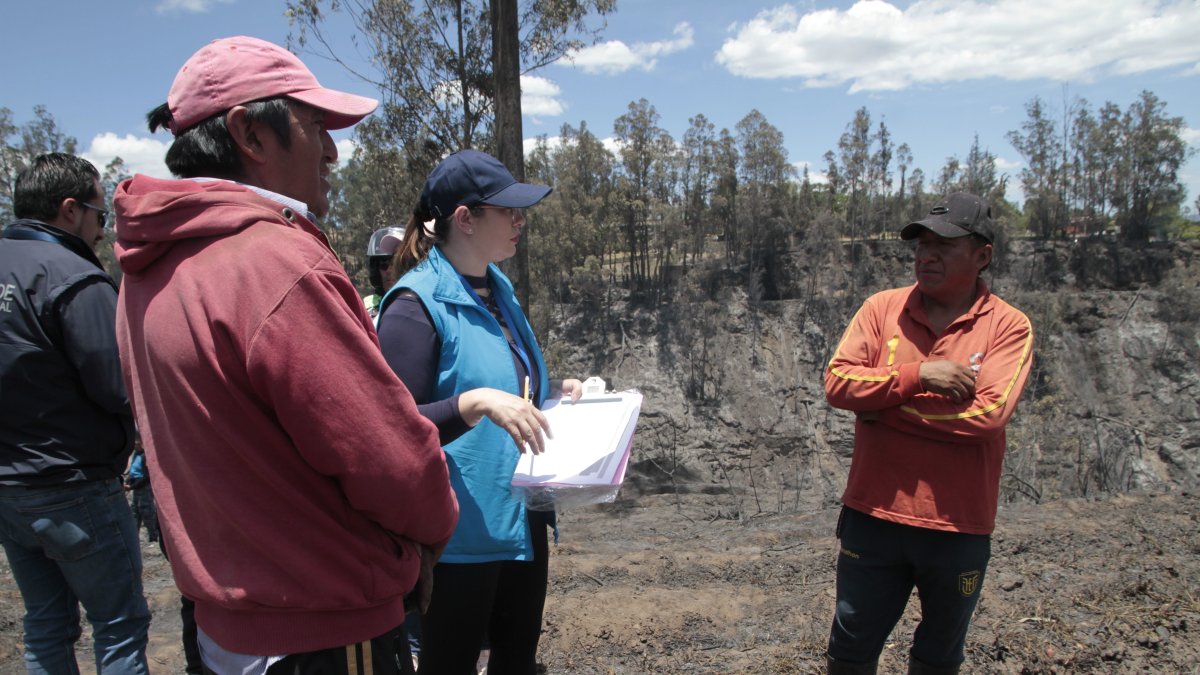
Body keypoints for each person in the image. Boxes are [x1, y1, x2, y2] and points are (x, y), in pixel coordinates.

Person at [112, 36, 458, 675]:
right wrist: (430, 535)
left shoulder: (147, 271)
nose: (330, 149)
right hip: (323, 632)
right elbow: (393, 462)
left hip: (228, 626)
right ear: (251, 133)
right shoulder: (275, 264)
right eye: (314, 124)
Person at [376, 149, 582, 675]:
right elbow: (390, 433)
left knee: (517, 663)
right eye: (507, 211)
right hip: (458, 540)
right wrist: (473, 405)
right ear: (464, 219)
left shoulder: (497, 287)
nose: (520, 220)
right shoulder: (414, 306)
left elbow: (499, 381)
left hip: (521, 521)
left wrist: (552, 390)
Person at [822, 192, 1035, 675]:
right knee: (849, 650)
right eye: (921, 244)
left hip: (957, 526)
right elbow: (839, 383)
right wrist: (920, 377)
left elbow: (987, 418)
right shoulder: (881, 309)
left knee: (939, 655)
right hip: (873, 516)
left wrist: (883, 408)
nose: (926, 255)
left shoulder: (1008, 326)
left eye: (944, 245)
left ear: (983, 255)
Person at [0, 153, 152, 674]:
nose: (100, 229)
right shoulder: (73, 277)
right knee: (119, 628)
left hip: (8, 491)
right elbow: (117, 385)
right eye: (98, 214)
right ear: (70, 210)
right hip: (74, 486)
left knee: (45, 624)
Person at [363, 226, 405, 318]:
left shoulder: (420, 304)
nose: (390, 270)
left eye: (396, 264)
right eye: (384, 264)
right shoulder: (365, 309)